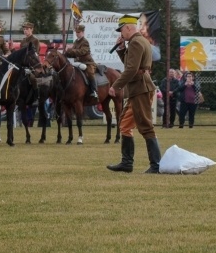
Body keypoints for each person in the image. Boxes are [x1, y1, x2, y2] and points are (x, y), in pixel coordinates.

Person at [106, 14, 161, 174]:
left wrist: (116, 86)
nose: (120, 34)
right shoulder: (137, 41)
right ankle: (126, 163)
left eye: (121, 30)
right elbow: (130, 64)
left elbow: (131, 69)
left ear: (128, 28)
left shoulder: (136, 42)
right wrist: (122, 49)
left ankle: (156, 165)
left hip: (141, 89)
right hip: (138, 88)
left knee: (145, 125)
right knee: (124, 124)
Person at [64, 23, 98, 101]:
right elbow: (74, 54)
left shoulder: (85, 42)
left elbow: (81, 52)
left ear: (83, 32)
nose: (77, 34)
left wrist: (71, 50)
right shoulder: (76, 41)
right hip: (78, 63)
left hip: (87, 62)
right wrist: (67, 53)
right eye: (76, 32)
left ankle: (94, 91)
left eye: (79, 32)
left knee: (90, 72)